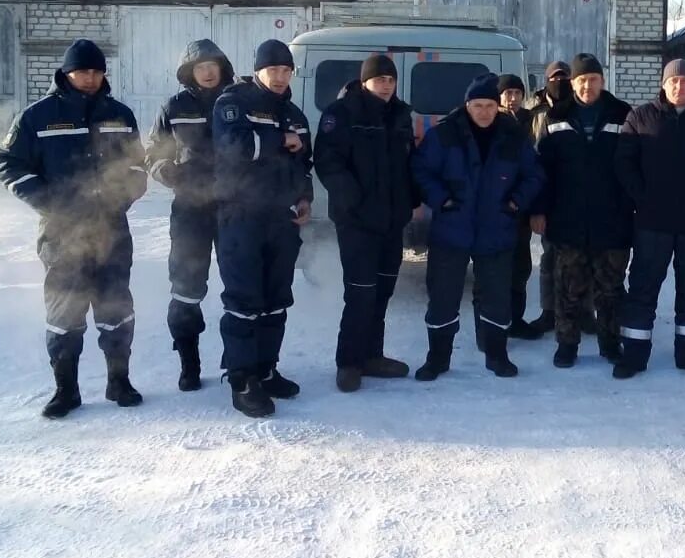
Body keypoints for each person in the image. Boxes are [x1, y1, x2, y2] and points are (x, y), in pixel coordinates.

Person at [0, 39, 147, 418]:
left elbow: (137, 167)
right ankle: (66, 390)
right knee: (65, 313)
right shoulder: (37, 117)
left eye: (97, 71)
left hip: (111, 230)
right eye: (83, 71)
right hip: (63, 234)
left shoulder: (120, 114)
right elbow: (9, 164)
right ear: (66, 73)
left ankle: (119, 381)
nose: (91, 78)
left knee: (116, 308)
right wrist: (51, 203)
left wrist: (123, 196)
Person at [411, 73, 545, 381]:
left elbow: (534, 174)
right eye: (477, 105)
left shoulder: (512, 135)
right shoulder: (445, 134)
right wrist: (440, 199)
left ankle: (497, 355)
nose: (484, 112)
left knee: (497, 295)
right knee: (443, 294)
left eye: (489, 105)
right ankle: (438, 358)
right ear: (467, 105)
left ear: (497, 106)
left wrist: (516, 202)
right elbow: (421, 169)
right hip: (452, 228)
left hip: (496, 227)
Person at [212, 39, 314, 418]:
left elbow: (304, 163)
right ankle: (241, 379)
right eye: (273, 69)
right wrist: (278, 140)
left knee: (276, 299)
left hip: (282, 218)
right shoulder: (233, 103)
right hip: (241, 216)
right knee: (244, 300)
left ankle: (266, 370)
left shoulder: (295, 114)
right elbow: (233, 148)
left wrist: (305, 198)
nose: (280, 76)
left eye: (287, 70)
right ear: (257, 70)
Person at [614, 59, 685, 379]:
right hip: (653, 222)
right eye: (673, 81)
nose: (679, 87)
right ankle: (634, 355)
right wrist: (643, 198)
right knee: (642, 288)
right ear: (663, 84)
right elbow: (624, 163)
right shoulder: (640, 117)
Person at [313, 53, 417, 393]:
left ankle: (372, 355)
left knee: (383, 292)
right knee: (360, 293)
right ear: (364, 81)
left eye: (391, 80)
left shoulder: (401, 115)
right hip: (357, 222)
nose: (386, 85)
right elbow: (328, 162)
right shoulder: (342, 113)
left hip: (391, 221)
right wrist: (353, 200)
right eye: (380, 79)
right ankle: (349, 362)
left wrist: (411, 199)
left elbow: (408, 163)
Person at [532, 53, 634, 367]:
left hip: (612, 217)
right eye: (581, 80)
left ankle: (609, 342)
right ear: (572, 83)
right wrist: (539, 210)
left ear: (603, 81)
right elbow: (542, 170)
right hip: (568, 217)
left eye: (592, 79)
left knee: (611, 286)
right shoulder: (555, 117)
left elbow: (633, 166)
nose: (587, 85)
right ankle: (567, 344)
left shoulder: (623, 115)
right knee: (568, 285)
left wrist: (634, 206)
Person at [145, 39, 235, 392]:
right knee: (185, 289)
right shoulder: (175, 106)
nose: (208, 72)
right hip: (190, 210)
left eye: (213, 65)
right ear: (190, 72)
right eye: (200, 67)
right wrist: (164, 168)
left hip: (234, 207)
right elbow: (153, 150)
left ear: (222, 67)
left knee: (241, 288)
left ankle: (237, 361)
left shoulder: (239, 99)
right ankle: (189, 363)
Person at [469, 73, 542, 346]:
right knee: (488, 274)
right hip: (488, 214)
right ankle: (486, 331)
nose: (512, 98)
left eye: (516, 93)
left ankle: (515, 320)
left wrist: (524, 203)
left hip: (518, 211)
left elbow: (534, 170)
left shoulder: (528, 120)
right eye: (507, 93)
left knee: (520, 269)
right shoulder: (486, 124)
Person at [524, 60, 583, 335]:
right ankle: (549, 311)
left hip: (575, 193)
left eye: (565, 77)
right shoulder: (531, 110)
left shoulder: (579, 107)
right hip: (545, 191)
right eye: (555, 77)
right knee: (549, 258)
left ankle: (585, 312)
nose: (560, 82)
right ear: (546, 80)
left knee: (583, 257)